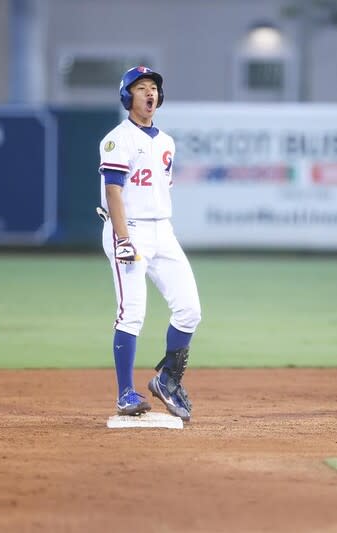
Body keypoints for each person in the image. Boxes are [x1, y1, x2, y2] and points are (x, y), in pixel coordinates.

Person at [97, 66, 201, 422]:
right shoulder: (117, 139)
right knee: (133, 312)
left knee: (189, 310)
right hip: (132, 231)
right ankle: (126, 393)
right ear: (128, 96)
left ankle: (167, 379)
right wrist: (123, 238)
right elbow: (114, 190)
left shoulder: (167, 142)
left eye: (153, 87)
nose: (149, 93)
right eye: (141, 87)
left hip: (163, 231)